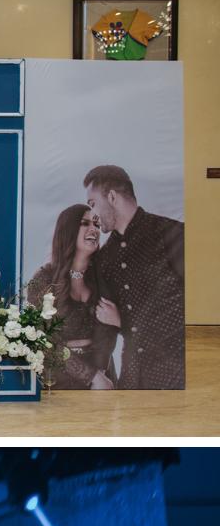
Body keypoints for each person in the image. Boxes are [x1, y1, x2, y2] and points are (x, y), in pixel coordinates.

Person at [84, 164, 184, 388]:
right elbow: (105, 324)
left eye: (93, 204)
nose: (93, 215)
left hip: (175, 377)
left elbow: (191, 310)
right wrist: (94, 374)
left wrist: (124, 322)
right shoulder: (105, 258)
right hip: (131, 380)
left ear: (112, 197)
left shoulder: (172, 234)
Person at [26, 205, 117, 390]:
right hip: (59, 373)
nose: (94, 229)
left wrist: (100, 372)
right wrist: (90, 376)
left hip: (103, 375)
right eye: (85, 223)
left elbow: (108, 331)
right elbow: (43, 340)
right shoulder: (43, 279)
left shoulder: (103, 276)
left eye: (96, 224)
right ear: (68, 231)